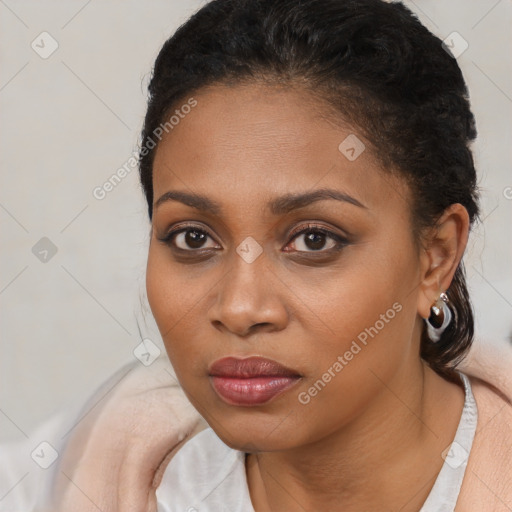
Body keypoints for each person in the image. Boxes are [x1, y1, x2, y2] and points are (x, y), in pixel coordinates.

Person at [1, 0, 510, 511]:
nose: (241, 309)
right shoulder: (90, 471)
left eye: (314, 240)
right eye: (193, 238)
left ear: (435, 257)